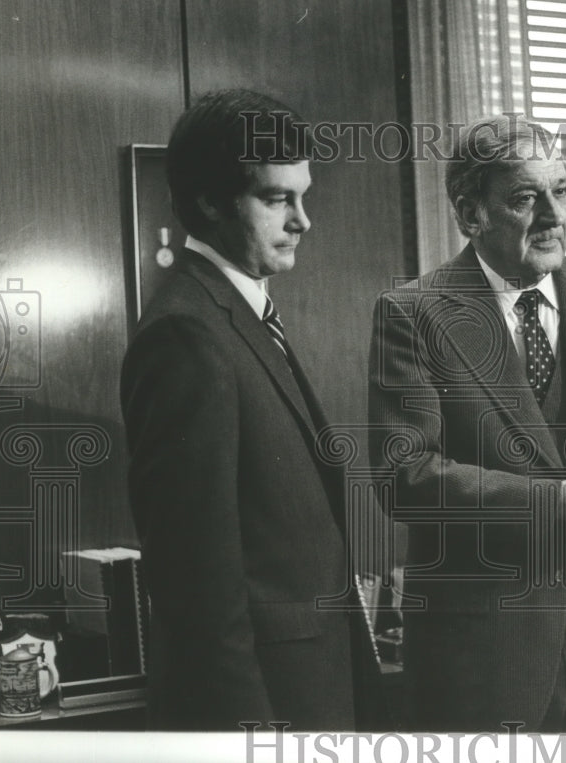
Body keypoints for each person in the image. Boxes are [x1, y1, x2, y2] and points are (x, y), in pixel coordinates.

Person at [368, 115, 566, 732]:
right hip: (485, 663)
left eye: (561, 191)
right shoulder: (413, 312)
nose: (554, 216)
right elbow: (405, 476)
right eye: (524, 198)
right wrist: (561, 503)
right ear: (470, 213)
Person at [121, 89, 381, 731]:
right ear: (210, 201)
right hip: (261, 714)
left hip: (310, 692)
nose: (303, 221)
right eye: (276, 199)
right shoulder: (186, 335)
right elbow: (197, 590)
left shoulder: (241, 313)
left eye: (304, 196)